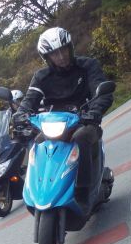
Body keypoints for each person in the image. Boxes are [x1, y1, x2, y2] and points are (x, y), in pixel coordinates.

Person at [13, 26, 114, 191]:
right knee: (37, 145)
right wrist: (20, 114)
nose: (61, 56)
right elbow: (29, 99)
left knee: (82, 137)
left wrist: (94, 112)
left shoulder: (88, 66)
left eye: (63, 50)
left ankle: (86, 189)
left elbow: (101, 92)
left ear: (70, 48)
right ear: (47, 57)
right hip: (53, 125)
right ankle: (39, 192)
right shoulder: (41, 77)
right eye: (54, 53)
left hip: (84, 121)